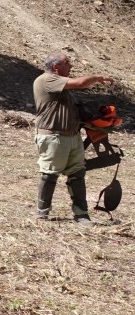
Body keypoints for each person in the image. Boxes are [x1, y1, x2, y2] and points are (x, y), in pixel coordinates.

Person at [33, 51, 114, 225]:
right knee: (49, 174)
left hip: (72, 136)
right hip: (53, 136)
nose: (71, 66)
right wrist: (98, 77)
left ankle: (81, 214)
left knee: (78, 174)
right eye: (67, 62)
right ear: (56, 67)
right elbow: (81, 83)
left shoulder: (62, 87)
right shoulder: (46, 79)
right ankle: (42, 214)